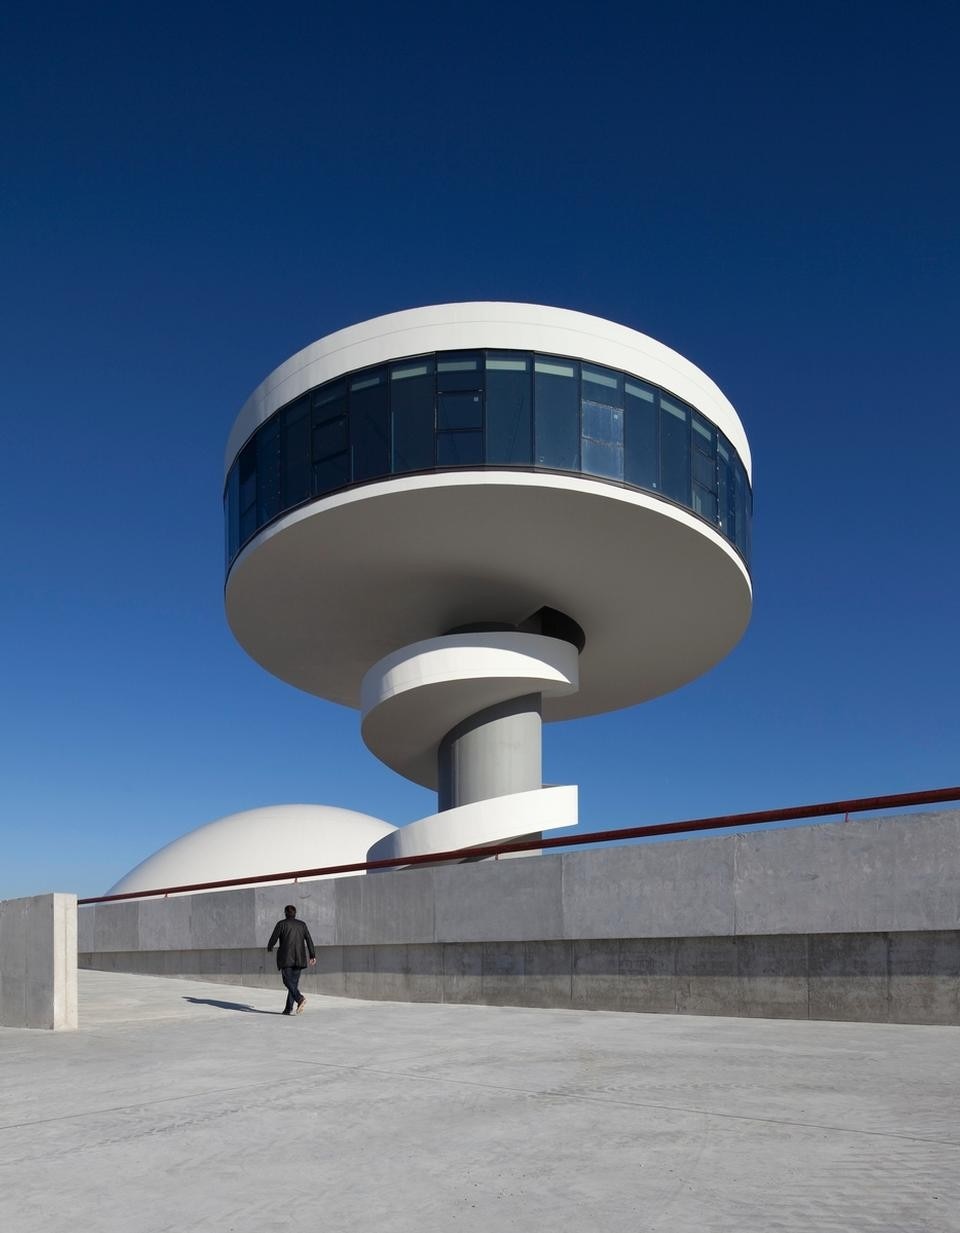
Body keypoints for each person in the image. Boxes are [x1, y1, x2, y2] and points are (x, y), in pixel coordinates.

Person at [266, 904, 316, 1015]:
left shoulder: (281, 924)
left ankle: (299, 998)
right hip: (299, 958)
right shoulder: (302, 925)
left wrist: (269, 947)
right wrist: (312, 955)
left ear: (285, 913)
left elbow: (273, 938)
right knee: (293, 984)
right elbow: (309, 940)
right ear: (295, 913)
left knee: (287, 981)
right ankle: (288, 1009)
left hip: (286, 958)